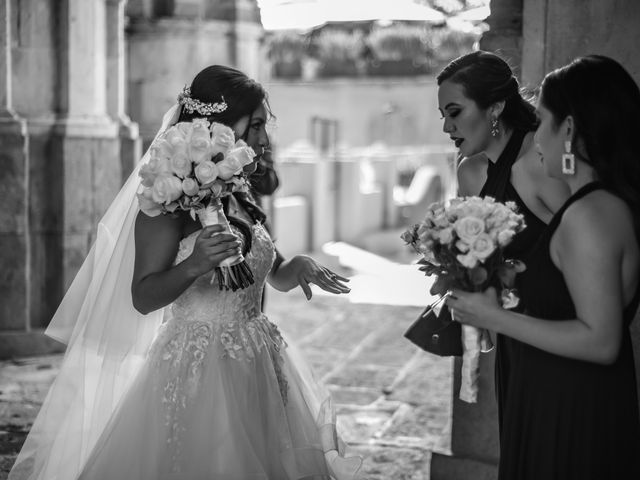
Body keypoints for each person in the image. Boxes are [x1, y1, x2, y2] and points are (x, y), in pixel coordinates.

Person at [9, 65, 363, 480]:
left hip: (260, 359)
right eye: (256, 125)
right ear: (220, 128)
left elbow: (268, 270)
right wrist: (195, 265)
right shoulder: (165, 204)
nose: (264, 139)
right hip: (199, 368)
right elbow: (143, 297)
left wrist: (294, 268)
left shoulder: (238, 193)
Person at [445, 55, 640, 479]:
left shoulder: (589, 214)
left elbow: (600, 337)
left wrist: (493, 315)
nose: (536, 138)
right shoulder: (595, 207)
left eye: (544, 121)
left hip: (572, 399)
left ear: (567, 130)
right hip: (547, 380)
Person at [436, 50, 569, 414]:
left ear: (494, 108)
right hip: (512, 341)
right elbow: (479, 262)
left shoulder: (540, 165)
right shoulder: (470, 172)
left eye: (455, 113)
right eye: (443, 116)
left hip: (559, 342)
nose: (447, 128)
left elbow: (590, 251)